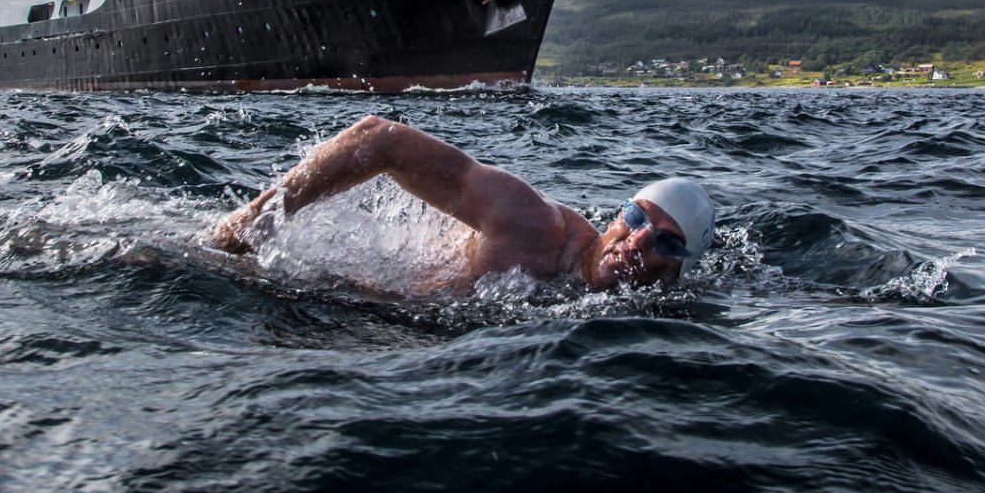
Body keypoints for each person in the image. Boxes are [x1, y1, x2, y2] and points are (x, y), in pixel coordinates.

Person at [212, 115, 714, 290]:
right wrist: (248, 227)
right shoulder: (532, 224)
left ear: (676, 273)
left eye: (667, 243)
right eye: (635, 218)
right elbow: (378, 138)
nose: (639, 241)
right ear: (614, 217)